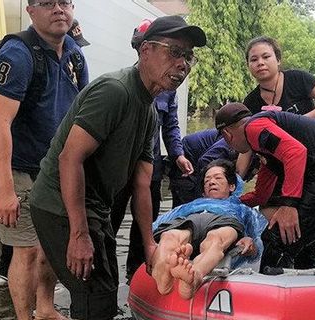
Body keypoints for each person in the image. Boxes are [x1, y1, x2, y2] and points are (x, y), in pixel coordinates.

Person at [29, 15, 206, 320]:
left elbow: (141, 183)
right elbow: (69, 159)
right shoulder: (115, 91)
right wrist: (79, 234)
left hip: (95, 208)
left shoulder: (149, 111)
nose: (183, 65)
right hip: (58, 204)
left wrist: (150, 245)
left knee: (106, 292)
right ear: (146, 50)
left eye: (189, 56)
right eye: (174, 52)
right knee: (94, 294)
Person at [0, 1, 88, 319]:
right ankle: (23, 316)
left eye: (64, 2)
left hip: (54, 170)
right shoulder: (18, 55)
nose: (58, 10)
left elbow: (81, 113)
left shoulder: (74, 52)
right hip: (19, 169)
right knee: (26, 249)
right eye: (46, 3)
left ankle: (44, 308)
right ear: (31, 11)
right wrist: (5, 190)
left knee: (49, 248)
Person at [215, 102, 315, 272]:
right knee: (302, 238)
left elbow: (296, 152)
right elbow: (262, 195)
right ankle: (309, 285)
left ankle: (271, 291)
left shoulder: (254, 127)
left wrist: (289, 205)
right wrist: (231, 203)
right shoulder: (266, 145)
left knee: (278, 237)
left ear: (227, 135)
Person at [109, 18, 194, 280]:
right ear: (143, 51)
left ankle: (137, 275)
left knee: (147, 223)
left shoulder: (169, 88)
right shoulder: (121, 88)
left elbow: (171, 126)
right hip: (122, 168)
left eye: (186, 56)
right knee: (109, 222)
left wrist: (178, 154)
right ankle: (106, 273)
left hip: (152, 166)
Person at [150, 159, 266, 300]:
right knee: (169, 235)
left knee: (215, 239)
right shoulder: (188, 206)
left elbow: (257, 243)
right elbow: (154, 228)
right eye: (207, 180)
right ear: (203, 191)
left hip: (225, 221)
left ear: (232, 186)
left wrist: (250, 242)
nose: (211, 182)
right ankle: (162, 277)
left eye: (218, 178)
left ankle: (195, 276)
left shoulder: (242, 209)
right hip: (191, 219)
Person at [239, 36, 315, 178]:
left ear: (278, 60)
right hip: (283, 164)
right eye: (254, 59)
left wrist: (298, 122)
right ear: (248, 66)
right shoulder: (251, 102)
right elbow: (247, 147)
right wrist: (237, 179)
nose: (260, 63)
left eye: (266, 57)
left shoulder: (297, 79)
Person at [169, 128, 237, 207]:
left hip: (199, 158)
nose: (212, 182)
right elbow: (204, 161)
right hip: (187, 161)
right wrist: (202, 196)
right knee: (189, 205)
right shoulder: (231, 141)